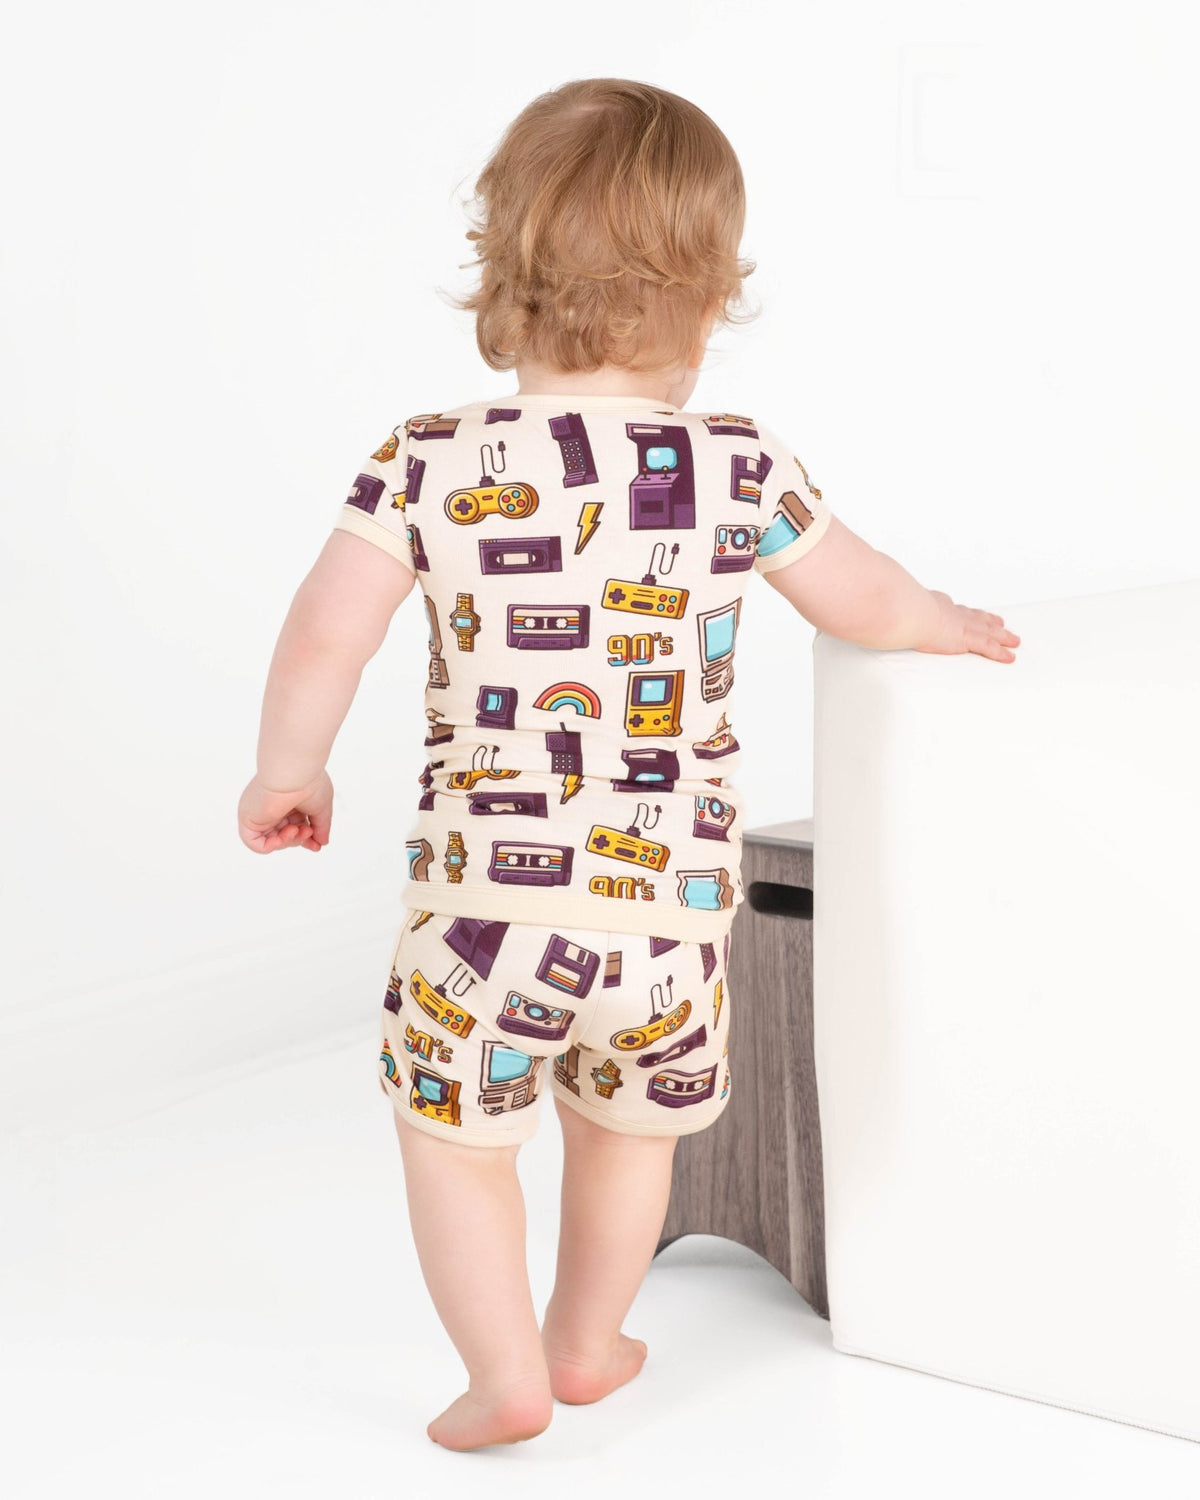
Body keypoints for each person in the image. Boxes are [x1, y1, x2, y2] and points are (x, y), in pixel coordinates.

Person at [236, 78, 1021, 1452]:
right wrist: (942, 622)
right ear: (711, 304)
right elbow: (863, 598)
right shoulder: (736, 467)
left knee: (459, 1145)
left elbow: (324, 637)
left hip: (481, 922)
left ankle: (503, 1376)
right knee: (630, 1139)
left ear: (503, 278)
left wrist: (286, 767)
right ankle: (587, 1341)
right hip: (665, 924)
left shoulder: (426, 461)